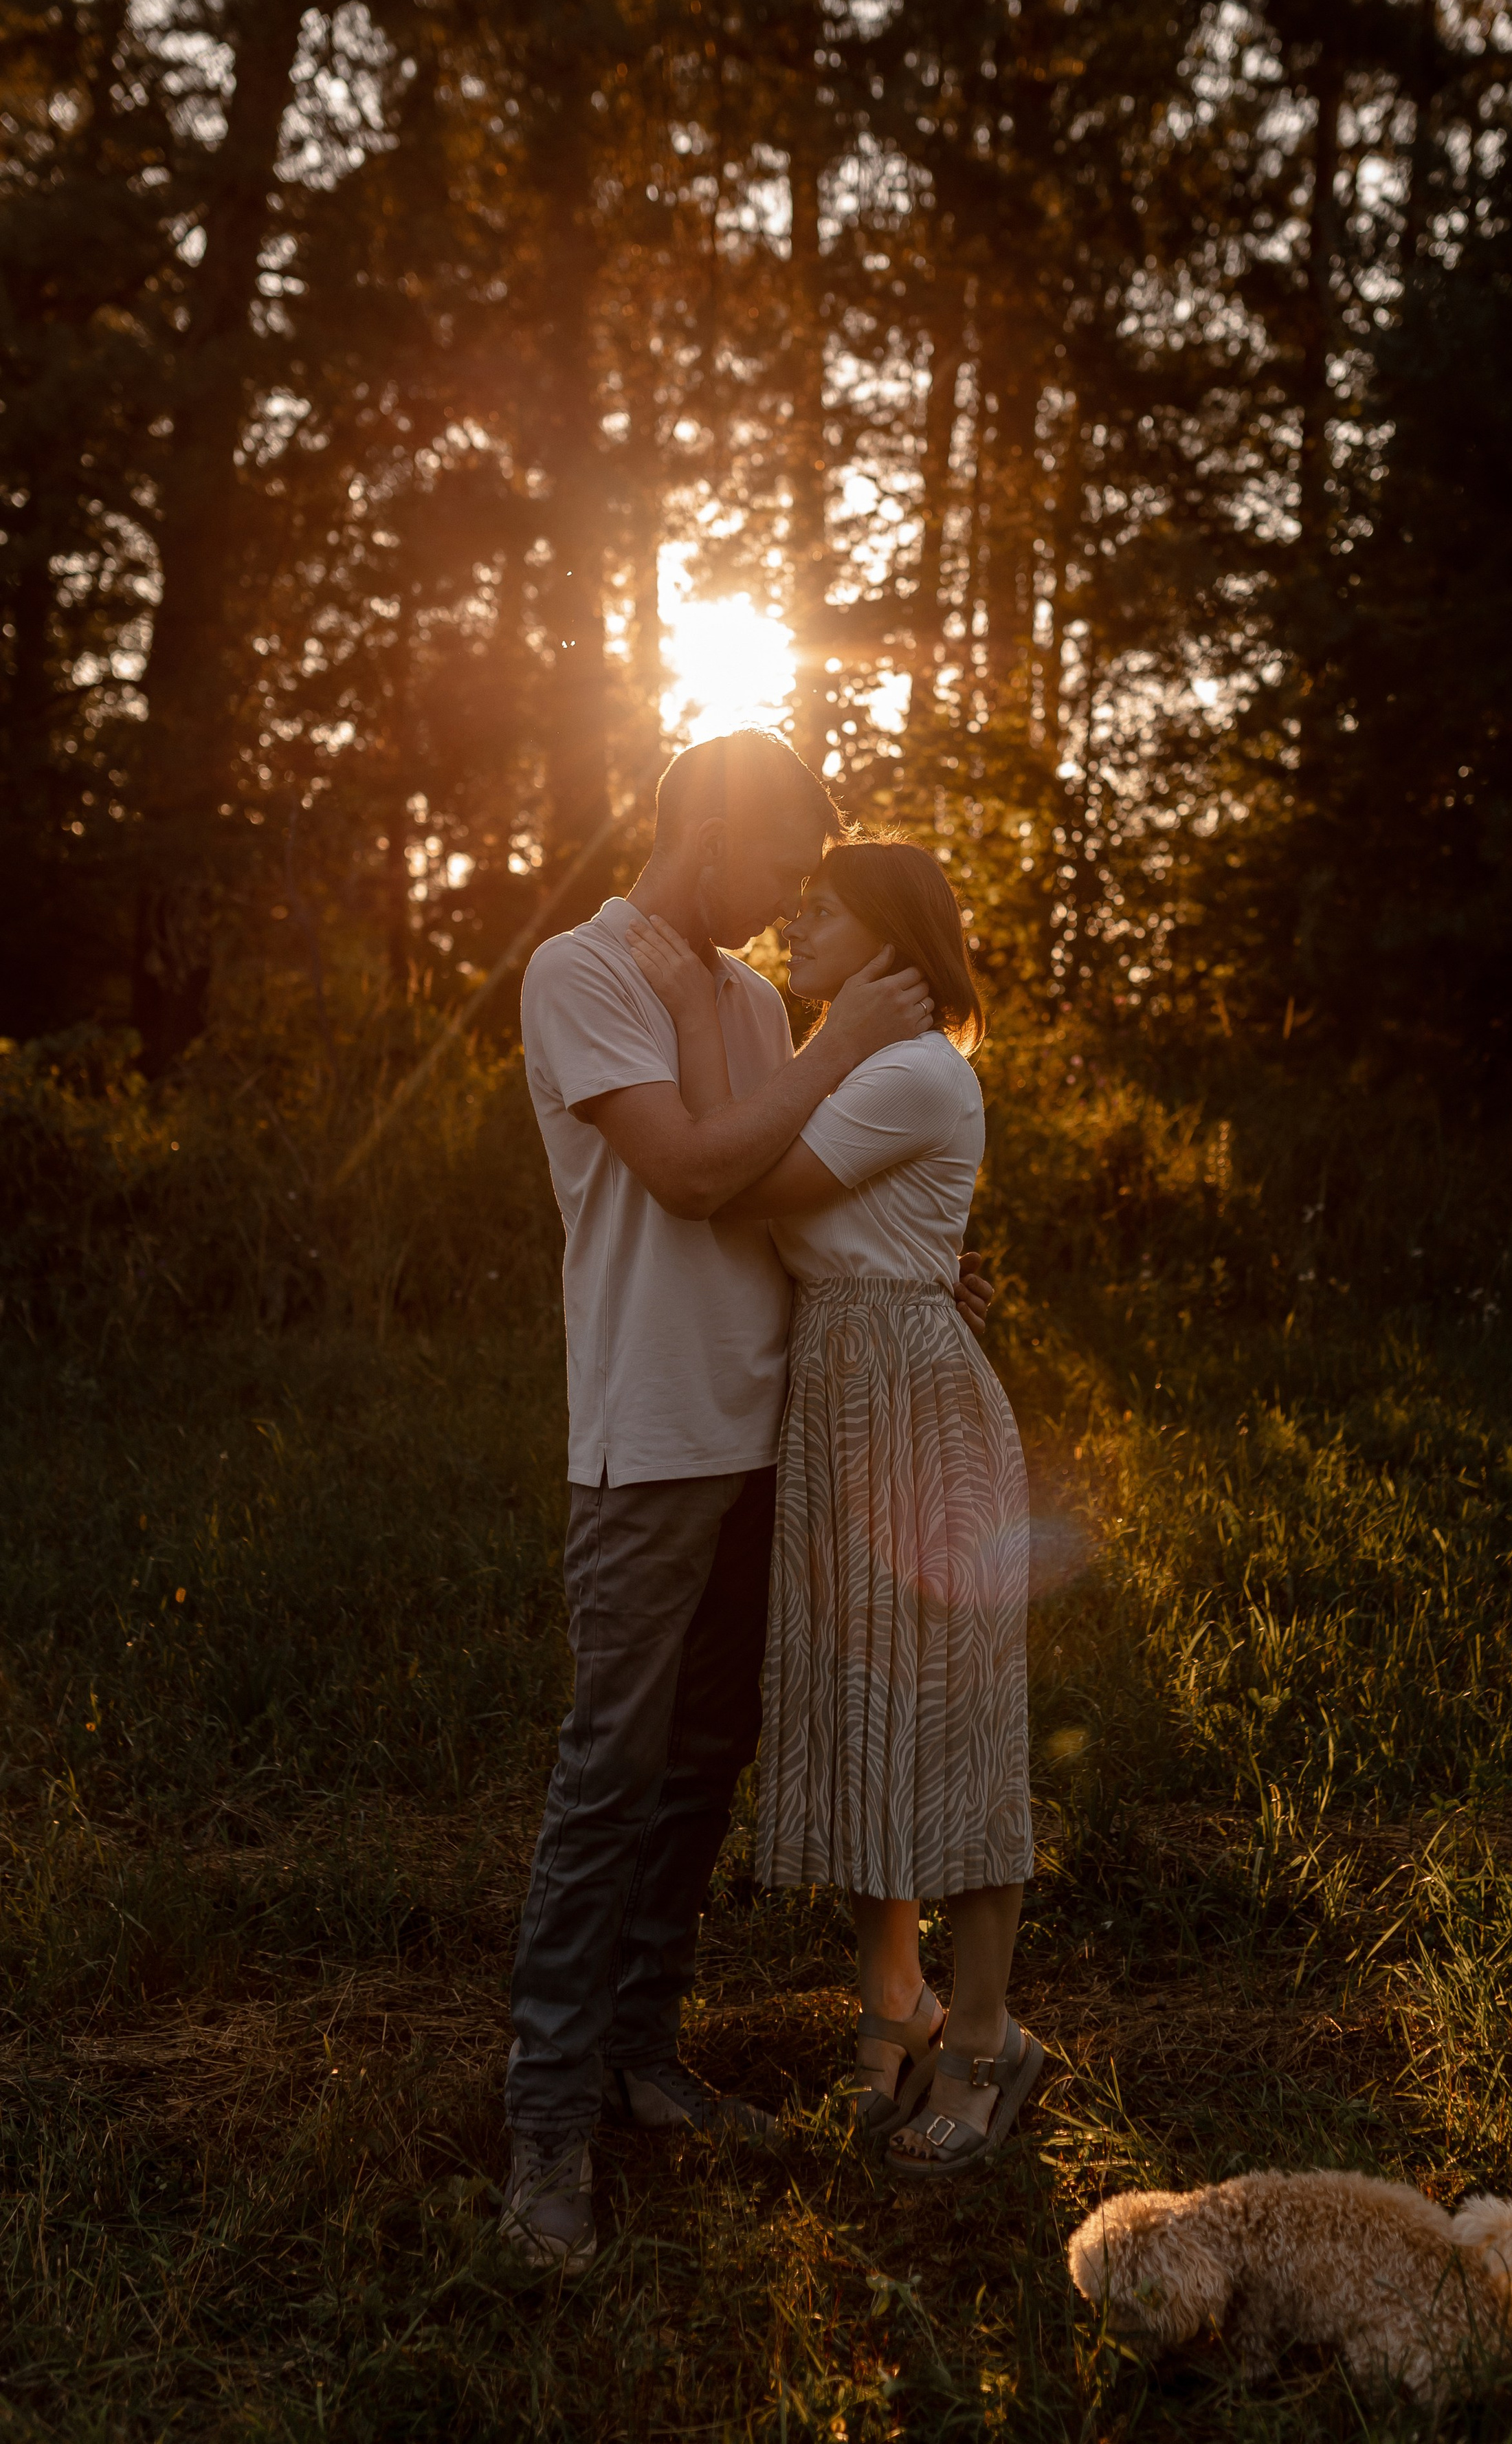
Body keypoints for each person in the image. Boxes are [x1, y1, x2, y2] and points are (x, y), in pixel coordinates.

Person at [500, 734, 992, 2274]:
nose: (788, 898)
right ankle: (544, 2132)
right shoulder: (581, 973)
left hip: (769, 1427)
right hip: (647, 1438)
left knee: (702, 1764)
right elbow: (698, 1178)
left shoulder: (754, 999)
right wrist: (838, 1046)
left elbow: (795, 1189)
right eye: (779, 861)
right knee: (609, 1770)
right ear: (706, 830)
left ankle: (642, 2060)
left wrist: (914, 1266)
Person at [626, 835, 1041, 2187]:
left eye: (825, 908)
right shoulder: (860, 1069)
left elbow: (739, 1186)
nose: (796, 922)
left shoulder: (913, 1070)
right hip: (841, 1402)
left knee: (951, 1728)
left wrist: (696, 1013)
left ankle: (980, 2046)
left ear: (893, 940)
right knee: (862, 1719)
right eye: (796, 901)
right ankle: (894, 2003)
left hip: (913, 1410)